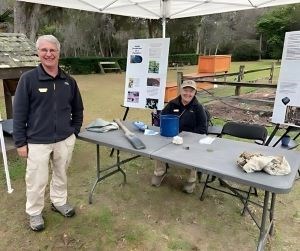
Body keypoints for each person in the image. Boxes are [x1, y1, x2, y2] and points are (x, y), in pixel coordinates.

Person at [13, 35, 84, 231]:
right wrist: (20, 142)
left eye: (52, 50)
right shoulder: (28, 80)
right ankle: (35, 213)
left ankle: (59, 202)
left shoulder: (69, 81)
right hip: (37, 141)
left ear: (59, 53)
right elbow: (19, 113)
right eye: (44, 50)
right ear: (38, 53)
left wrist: (74, 132)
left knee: (61, 174)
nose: (48, 54)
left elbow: (78, 109)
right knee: (36, 180)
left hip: (64, 139)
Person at [151, 80, 207, 193]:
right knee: (159, 146)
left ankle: (191, 180)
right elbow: (162, 118)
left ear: (195, 93)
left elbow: (203, 129)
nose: (188, 94)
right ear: (181, 91)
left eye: (191, 91)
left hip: (191, 138)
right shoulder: (172, 104)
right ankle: (159, 172)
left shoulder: (198, 107)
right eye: (185, 90)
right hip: (172, 136)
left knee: (193, 152)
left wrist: (186, 136)